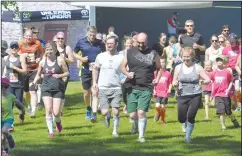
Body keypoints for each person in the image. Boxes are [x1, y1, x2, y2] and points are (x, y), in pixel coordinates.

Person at [121, 32, 162, 143]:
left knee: (141, 112)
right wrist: (127, 74)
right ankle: (135, 123)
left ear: (147, 41)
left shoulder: (153, 53)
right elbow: (122, 67)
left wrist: (157, 79)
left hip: (146, 86)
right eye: (138, 42)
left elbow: (159, 68)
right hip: (132, 86)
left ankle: (141, 136)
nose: (140, 45)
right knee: (133, 114)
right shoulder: (129, 52)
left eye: (142, 43)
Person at [173, 47, 210, 143]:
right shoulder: (178, 67)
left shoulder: (197, 67)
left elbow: (208, 79)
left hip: (195, 95)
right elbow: (174, 81)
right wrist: (174, 84)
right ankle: (183, 123)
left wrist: (202, 81)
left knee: (190, 116)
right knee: (181, 118)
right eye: (184, 57)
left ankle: (187, 137)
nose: (185, 59)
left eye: (187, 56)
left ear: (192, 56)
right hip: (182, 95)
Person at [32, 41, 69, 137]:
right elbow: (38, 74)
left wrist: (60, 75)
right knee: (48, 109)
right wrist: (34, 82)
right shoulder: (42, 62)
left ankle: (58, 122)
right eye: (47, 50)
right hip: (46, 88)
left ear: (55, 50)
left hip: (58, 88)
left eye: (51, 49)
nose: (49, 51)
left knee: (56, 112)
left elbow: (67, 73)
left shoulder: (60, 60)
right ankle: (51, 132)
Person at [92, 35, 124, 137]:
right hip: (103, 87)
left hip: (116, 87)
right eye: (108, 43)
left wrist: (125, 79)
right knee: (104, 111)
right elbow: (95, 69)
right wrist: (94, 82)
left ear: (116, 44)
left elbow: (126, 69)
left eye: (111, 43)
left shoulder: (121, 57)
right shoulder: (100, 56)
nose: (109, 45)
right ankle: (107, 116)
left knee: (116, 110)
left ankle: (115, 130)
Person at [73, 26, 105, 120]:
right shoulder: (81, 42)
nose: (92, 36)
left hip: (97, 70)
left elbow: (105, 54)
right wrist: (81, 58)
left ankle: (94, 113)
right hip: (86, 70)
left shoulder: (100, 43)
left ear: (96, 34)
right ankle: (88, 107)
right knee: (86, 93)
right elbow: (74, 53)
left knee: (95, 91)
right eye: (90, 34)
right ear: (87, 33)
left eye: (94, 34)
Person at [18, 29, 44, 118]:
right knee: (26, 92)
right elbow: (16, 53)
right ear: (24, 36)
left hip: (35, 69)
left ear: (33, 36)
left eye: (30, 36)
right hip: (25, 70)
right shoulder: (20, 43)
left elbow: (42, 53)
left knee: (33, 91)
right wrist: (22, 55)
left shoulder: (37, 43)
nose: (29, 38)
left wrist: (39, 59)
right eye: (27, 36)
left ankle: (33, 111)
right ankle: (29, 105)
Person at [210, 55, 240, 130]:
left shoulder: (227, 72)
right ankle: (223, 126)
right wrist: (212, 94)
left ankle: (233, 119)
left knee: (228, 111)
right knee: (221, 111)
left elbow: (230, 81)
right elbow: (212, 83)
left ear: (223, 62)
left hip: (225, 94)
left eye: (220, 60)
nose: (219, 62)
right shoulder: (214, 73)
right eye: (218, 60)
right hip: (217, 94)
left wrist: (228, 89)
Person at [3, 42, 27, 125]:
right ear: (10, 49)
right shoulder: (6, 58)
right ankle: (10, 124)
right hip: (9, 85)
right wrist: (2, 80)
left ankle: (21, 113)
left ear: (18, 48)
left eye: (16, 47)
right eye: (12, 47)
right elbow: (5, 71)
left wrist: (15, 67)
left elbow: (24, 71)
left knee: (18, 102)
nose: (14, 49)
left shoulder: (21, 58)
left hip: (18, 84)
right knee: (9, 103)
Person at [55, 31, 75, 115]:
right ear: (56, 39)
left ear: (64, 39)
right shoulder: (53, 47)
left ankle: (60, 110)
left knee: (61, 91)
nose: (60, 40)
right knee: (55, 91)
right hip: (54, 72)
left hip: (64, 73)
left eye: (62, 38)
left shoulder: (67, 48)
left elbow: (72, 61)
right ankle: (55, 109)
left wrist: (65, 59)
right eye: (58, 38)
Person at [153, 57, 172, 124]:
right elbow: (154, 82)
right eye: (160, 62)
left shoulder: (168, 73)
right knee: (157, 106)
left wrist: (169, 89)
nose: (162, 64)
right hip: (158, 92)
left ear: (165, 63)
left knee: (163, 106)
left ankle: (162, 120)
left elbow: (170, 83)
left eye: (163, 62)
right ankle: (158, 114)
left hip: (165, 92)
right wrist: (154, 90)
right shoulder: (155, 73)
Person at [1, 77, 16, 154]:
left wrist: (22, 112)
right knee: (2, 137)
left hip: (8, 118)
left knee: (4, 131)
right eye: (1, 86)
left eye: (5, 86)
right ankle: (4, 151)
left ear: (8, 87)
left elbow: (20, 105)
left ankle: (10, 138)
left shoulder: (11, 96)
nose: (3, 88)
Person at [119, 36, 133, 114]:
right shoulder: (121, 53)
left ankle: (129, 106)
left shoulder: (135, 52)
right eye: (128, 43)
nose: (129, 45)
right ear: (125, 44)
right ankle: (126, 103)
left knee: (130, 91)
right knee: (124, 93)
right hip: (123, 75)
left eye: (131, 43)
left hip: (131, 74)